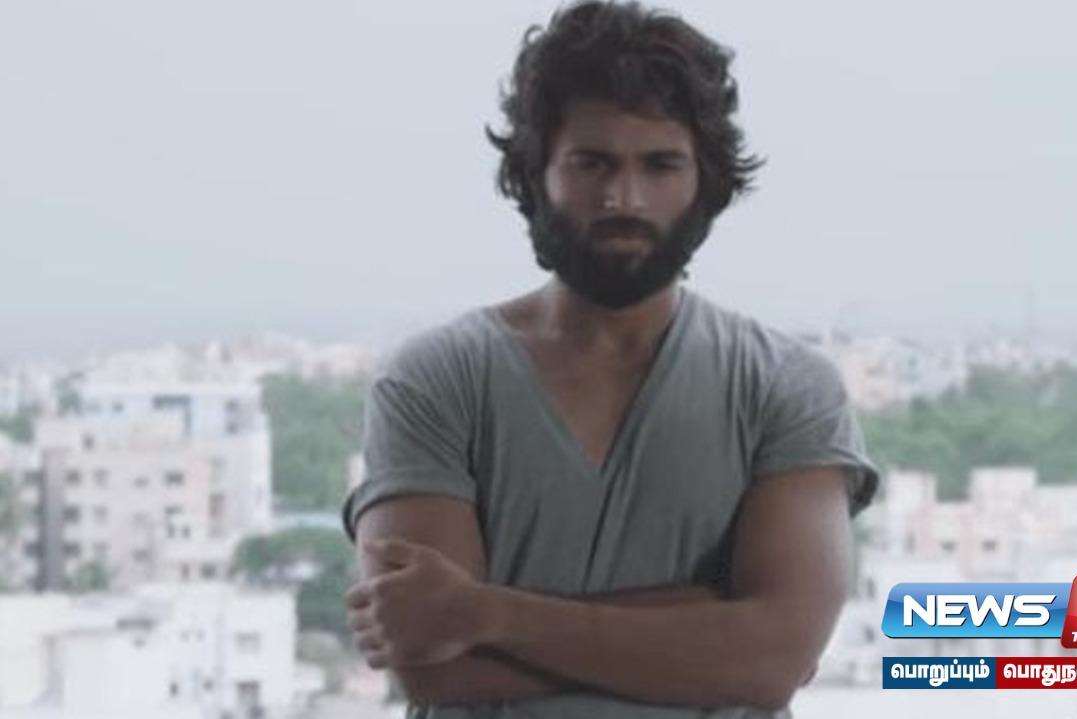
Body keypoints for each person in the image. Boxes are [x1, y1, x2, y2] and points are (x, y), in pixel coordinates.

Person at [342, 2, 879, 717]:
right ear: (535, 174)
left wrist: (484, 612)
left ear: (705, 181)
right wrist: (703, 626)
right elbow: (432, 665)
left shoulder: (785, 385)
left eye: (660, 165)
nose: (623, 197)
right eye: (591, 163)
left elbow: (771, 659)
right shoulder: (434, 380)